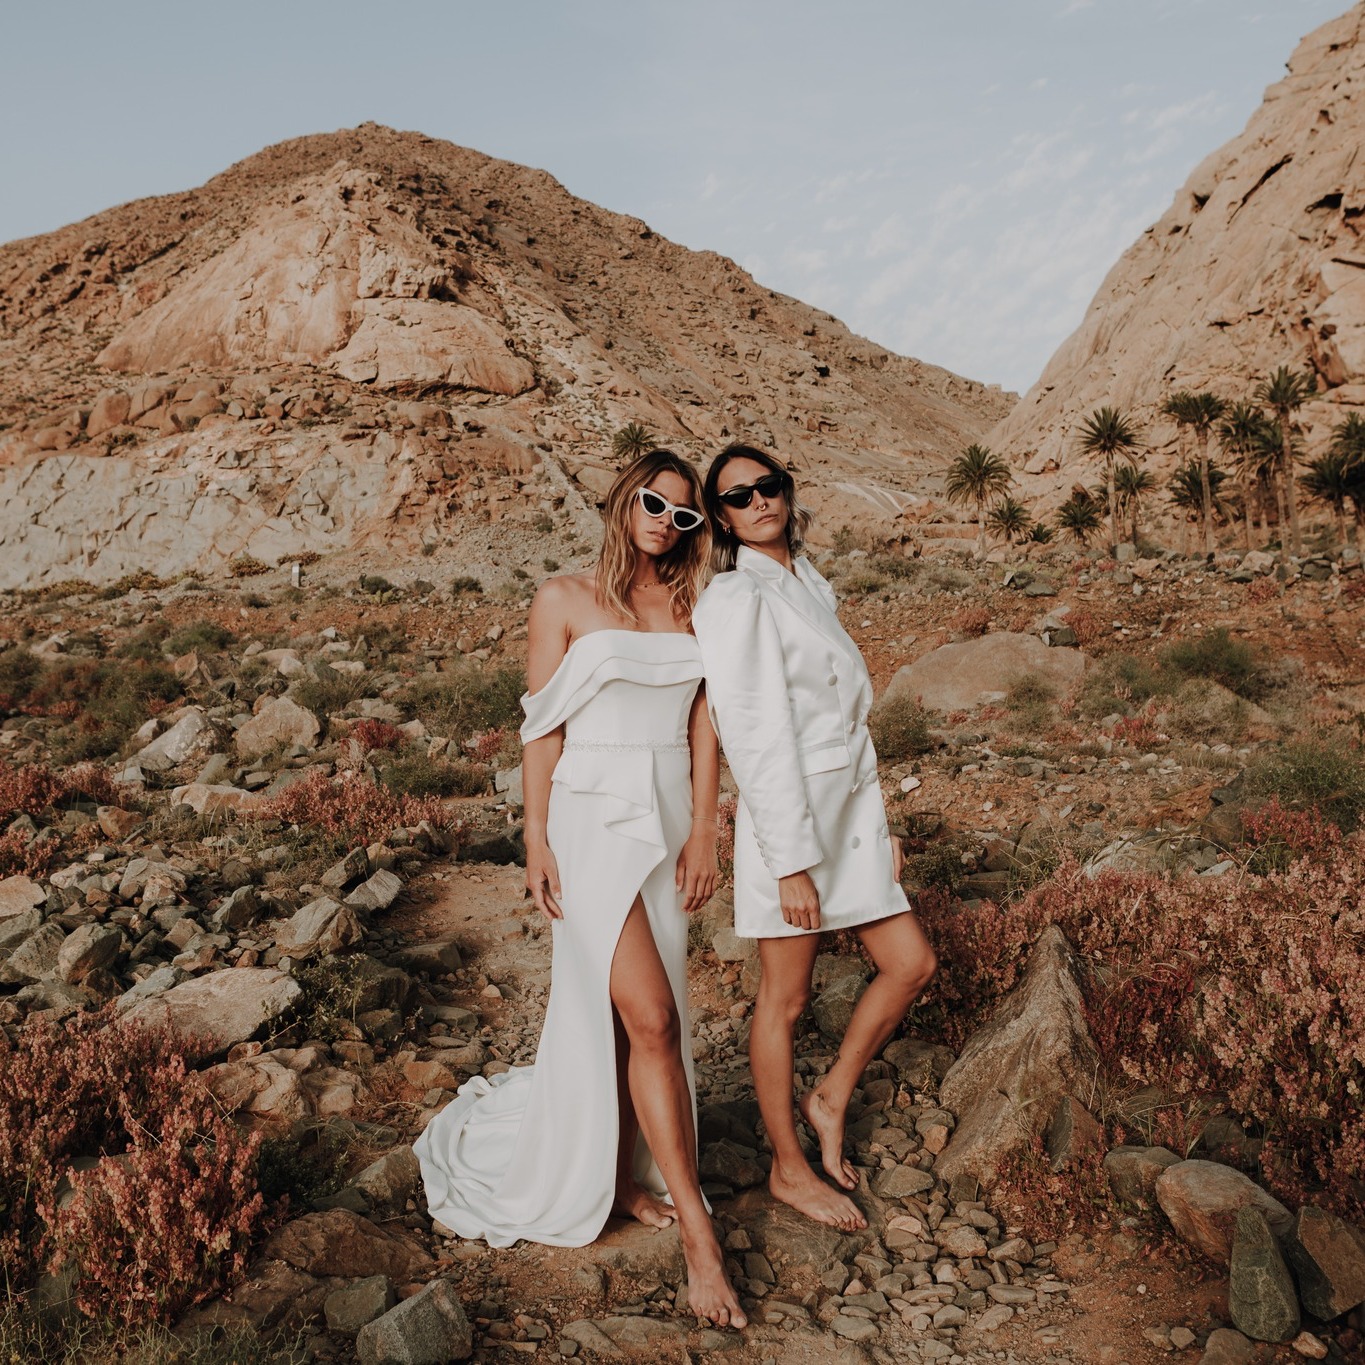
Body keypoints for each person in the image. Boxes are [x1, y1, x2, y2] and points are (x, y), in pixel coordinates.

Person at [415, 450, 746, 1329]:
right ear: (621, 499)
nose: (666, 522)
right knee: (654, 1017)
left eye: (684, 515)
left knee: (629, 1011)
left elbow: (705, 721)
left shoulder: (691, 604)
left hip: (668, 806)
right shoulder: (561, 598)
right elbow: (540, 727)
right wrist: (534, 838)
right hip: (589, 814)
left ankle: (620, 1179)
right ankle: (697, 1237)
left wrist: (708, 826)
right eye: (653, 503)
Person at [692, 444, 938, 1232]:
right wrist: (790, 862)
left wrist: (879, 829)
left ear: (786, 491)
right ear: (722, 518)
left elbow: (846, 725)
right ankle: (786, 1166)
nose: (758, 501)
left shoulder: (810, 582)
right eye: (738, 496)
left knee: (910, 964)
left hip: (850, 815)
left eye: (768, 486)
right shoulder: (736, 597)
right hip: (787, 821)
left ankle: (828, 1095)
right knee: (786, 997)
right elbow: (755, 735)